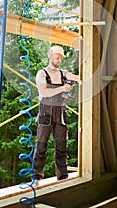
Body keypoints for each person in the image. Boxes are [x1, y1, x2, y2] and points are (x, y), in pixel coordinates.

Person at [32, 45, 79, 186]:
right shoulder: (42, 74)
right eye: (57, 57)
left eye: (61, 58)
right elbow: (44, 93)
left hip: (60, 111)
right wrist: (62, 88)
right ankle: (36, 177)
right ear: (50, 56)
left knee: (61, 145)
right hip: (46, 111)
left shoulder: (63, 73)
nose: (59, 60)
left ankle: (62, 176)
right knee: (41, 144)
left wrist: (76, 81)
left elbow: (75, 77)